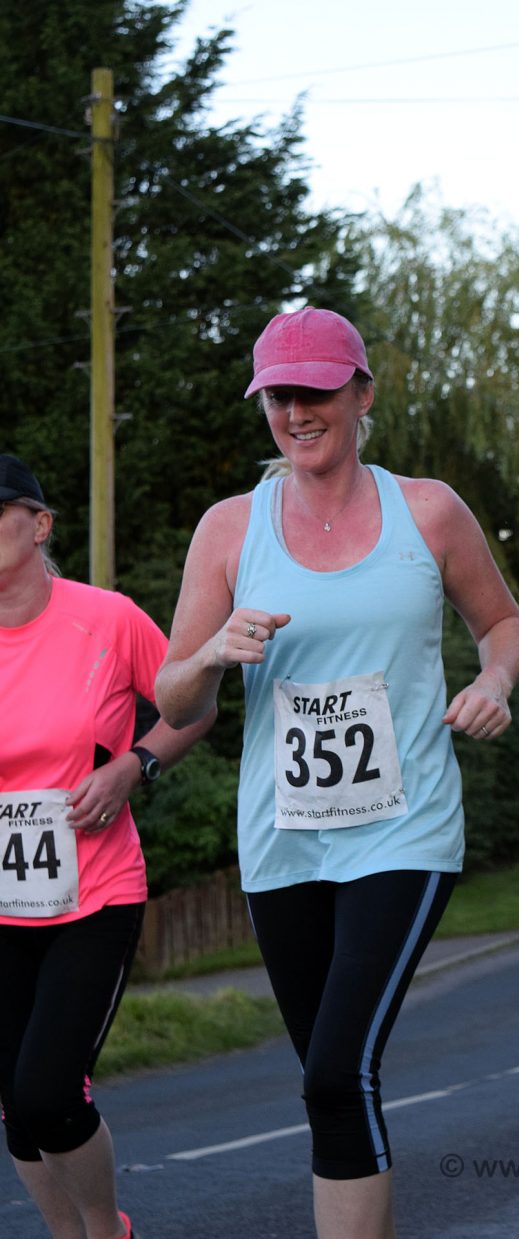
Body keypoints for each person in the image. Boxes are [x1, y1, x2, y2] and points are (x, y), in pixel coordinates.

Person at [155, 305, 519, 1239]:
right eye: (278, 394)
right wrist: (211, 654)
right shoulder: (230, 528)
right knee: (330, 1088)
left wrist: (495, 679)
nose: (296, 410)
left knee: (336, 1070)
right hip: (283, 838)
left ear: (362, 393)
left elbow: (504, 623)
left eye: (317, 389)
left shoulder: (430, 509)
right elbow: (172, 700)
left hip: (404, 827)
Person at [0, 454, 215, 1239]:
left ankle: (105, 1229)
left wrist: (135, 763)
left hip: (95, 889)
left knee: (49, 1088)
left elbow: (192, 705)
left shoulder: (108, 617)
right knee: (13, 1102)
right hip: (3, 903)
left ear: (39, 524)